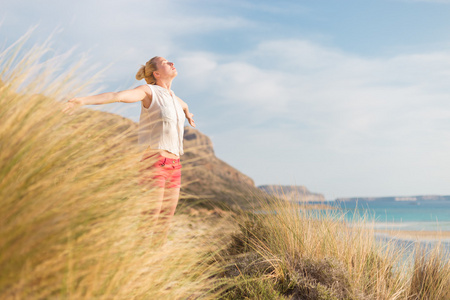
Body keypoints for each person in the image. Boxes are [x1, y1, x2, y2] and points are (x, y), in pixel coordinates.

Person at [62, 56, 195, 245]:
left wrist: (188, 114)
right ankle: (137, 261)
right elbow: (118, 96)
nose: (172, 63)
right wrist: (82, 101)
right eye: (166, 62)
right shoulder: (149, 92)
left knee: (164, 224)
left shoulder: (177, 99)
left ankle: (154, 266)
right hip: (155, 164)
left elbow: (185, 106)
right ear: (156, 73)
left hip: (175, 167)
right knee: (150, 220)